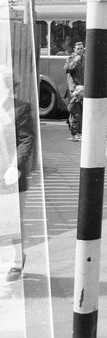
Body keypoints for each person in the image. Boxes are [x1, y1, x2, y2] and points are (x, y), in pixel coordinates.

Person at [0, 71, 35, 282]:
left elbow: (26, 140)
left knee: (13, 221)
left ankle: (16, 260)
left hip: (10, 175)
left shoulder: (20, 108)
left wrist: (15, 166)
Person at [64, 41, 85, 140]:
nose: (80, 51)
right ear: (74, 49)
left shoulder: (86, 58)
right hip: (75, 88)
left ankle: (79, 132)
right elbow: (66, 69)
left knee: (82, 111)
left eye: (82, 48)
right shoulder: (71, 58)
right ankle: (74, 133)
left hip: (84, 87)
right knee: (75, 110)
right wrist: (75, 61)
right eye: (78, 49)